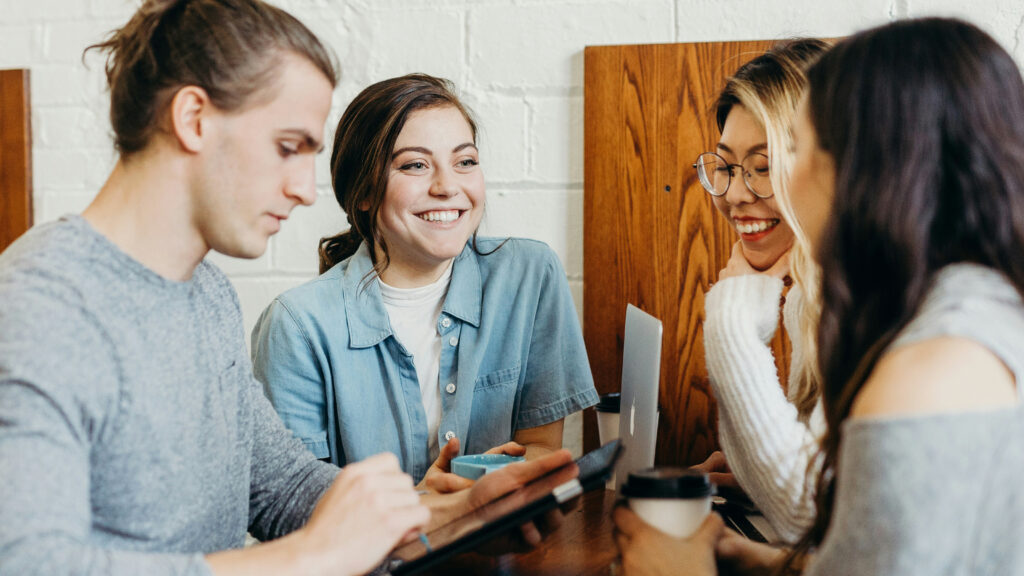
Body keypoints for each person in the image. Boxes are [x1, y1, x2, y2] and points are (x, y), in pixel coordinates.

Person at [0, 2, 574, 575]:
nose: (305, 190)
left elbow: (283, 489)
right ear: (193, 118)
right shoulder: (40, 306)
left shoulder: (206, 294)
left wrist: (455, 518)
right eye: (286, 147)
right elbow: (26, 562)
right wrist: (309, 556)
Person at [615, 17, 1024, 575]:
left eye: (795, 149)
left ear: (871, 166)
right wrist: (768, 564)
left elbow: (820, 516)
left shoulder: (931, 366)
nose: (744, 190)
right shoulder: (969, 308)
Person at [251, 73, 599, 490]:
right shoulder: (296, 325)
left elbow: (541, 448)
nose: (448, 186)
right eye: (415, 165)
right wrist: (426, 506)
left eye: (465, 162)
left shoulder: (529, 275)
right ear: (362, 192)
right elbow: (296, 505)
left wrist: (491, 481)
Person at [691, 39, 829, 543]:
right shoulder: (810, 295)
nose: (734, 194)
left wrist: (730, 321)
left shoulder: (873, 299)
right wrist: (756, 471)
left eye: (764, 166)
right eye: (725, 167)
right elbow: (828, 500)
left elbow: (807, 514)